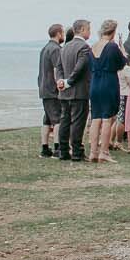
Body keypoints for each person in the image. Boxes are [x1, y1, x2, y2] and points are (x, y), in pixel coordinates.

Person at [87, 20, 125, 164]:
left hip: (95, 83)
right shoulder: (112, 46)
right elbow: (121, 63)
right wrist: (122, 51)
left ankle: (93, 152)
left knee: (95, 118)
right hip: (108, 81)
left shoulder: (93, 46)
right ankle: (104, 151)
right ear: (113, 32)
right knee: (107, 119)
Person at [55, 20, 93, 163]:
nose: (89, 32)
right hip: (78, 90)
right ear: (82, 30)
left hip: (64, 90)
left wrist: (60, 80)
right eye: (88, 29)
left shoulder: (65, 46)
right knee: (77, 122)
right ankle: (77, 151)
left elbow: (58, 67)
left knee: (65, 120)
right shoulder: (84, 47)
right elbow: (80, 67)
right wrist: (68, 82)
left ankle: (63, 151)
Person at [37, 24, 64, 159]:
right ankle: (57, 148)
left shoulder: (44, 48)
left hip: (43, 87)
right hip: (52, 89)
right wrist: (60, 86)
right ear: (58, 34)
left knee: (47, 119)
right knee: (58, 118)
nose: (63, 35)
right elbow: (56, 69)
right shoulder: (55, 49)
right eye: (63, 32)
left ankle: (44, 148)